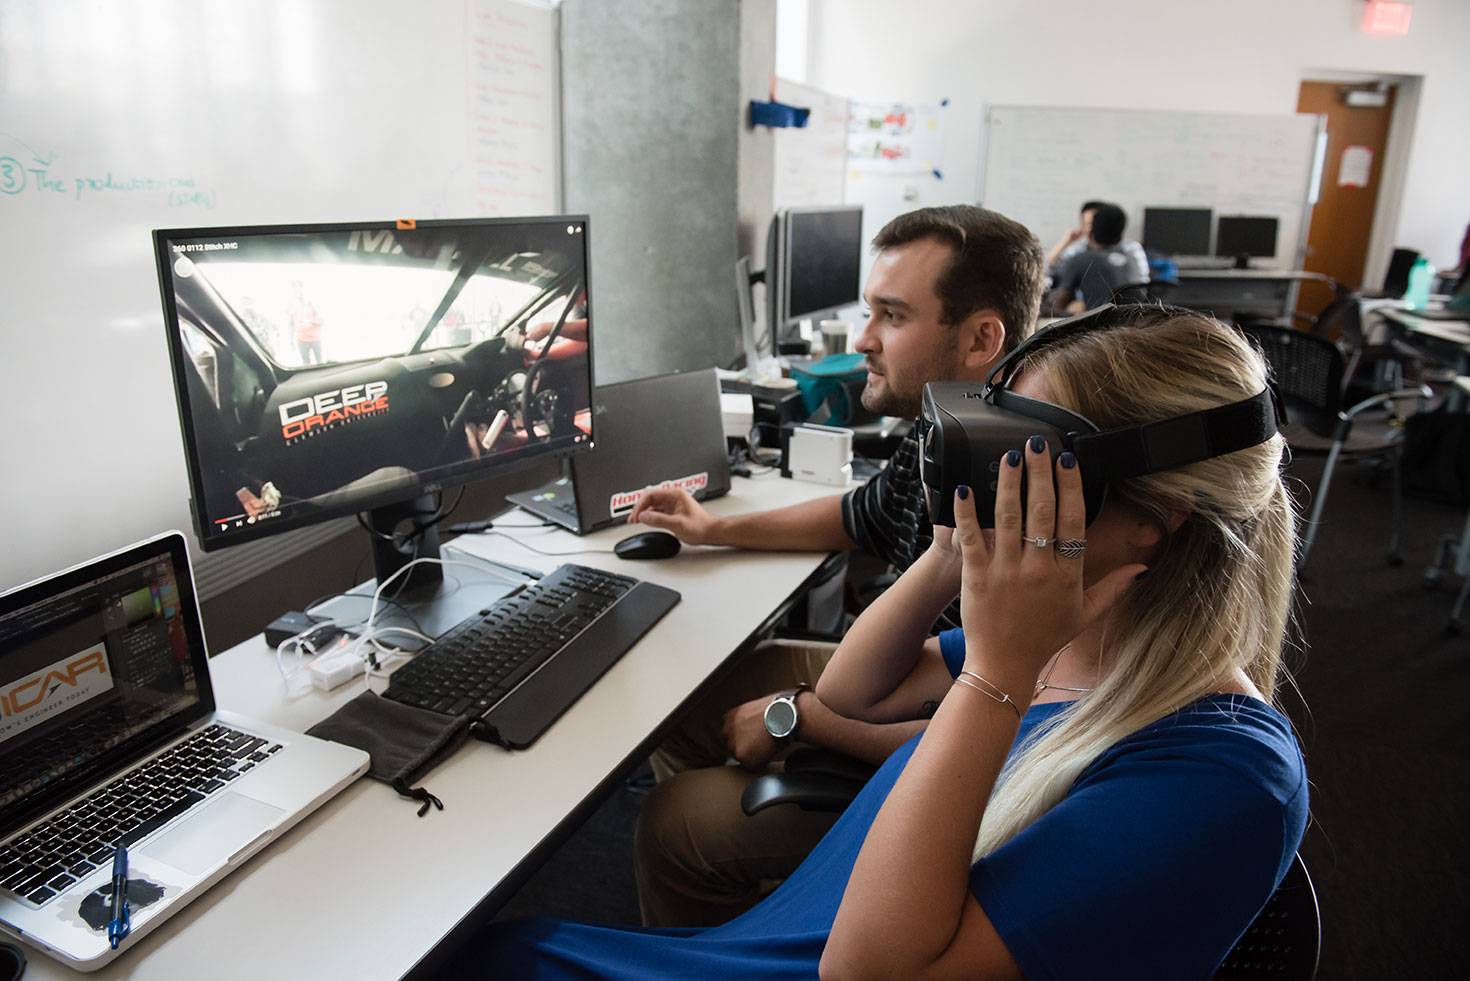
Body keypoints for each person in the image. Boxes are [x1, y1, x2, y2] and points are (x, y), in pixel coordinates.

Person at [454, 305, 1309, 978]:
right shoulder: (1074, 633)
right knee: (502, 950)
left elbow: (868, 970)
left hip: (830, 961)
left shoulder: (1226, 776)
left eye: (1029, 465)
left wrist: (1000, 671)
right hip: (771, 945)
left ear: (1151, 526)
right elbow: (853, 695)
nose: (992, 474)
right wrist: (950, 547)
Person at [627, 205, 1045, 927]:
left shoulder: (1027, 490)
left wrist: (804, 723)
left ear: (981, 338)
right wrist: (711, 528)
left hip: (949, 764)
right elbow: (860, 513)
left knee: (674, 823)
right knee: (682, 697)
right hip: (899, 683)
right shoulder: (949, 424)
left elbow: (1016, 735)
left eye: (891, 315)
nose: (863, 342)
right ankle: (777, 889)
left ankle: (781, 889)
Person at [1048, 202, 1138, 312]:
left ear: (1092, 231)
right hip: (1134, 322)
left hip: (1101, 324)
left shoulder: (1081, 259)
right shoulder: (1133, 254)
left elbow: (1058, 304)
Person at [1045, 199, 1150, 286]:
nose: (1091, 229)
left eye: (1094, 223)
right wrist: (1067, 240)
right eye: (1087, 224)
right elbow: (1048, 269)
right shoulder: (1078, 251)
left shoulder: (1130, 248)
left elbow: (1141, 281)